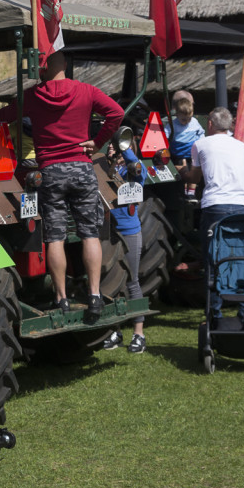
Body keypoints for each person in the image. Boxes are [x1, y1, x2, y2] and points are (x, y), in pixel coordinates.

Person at [0, 50, 124, 319]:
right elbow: (116, 113)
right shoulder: (85, 90)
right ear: (66, 66)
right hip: (82, 169)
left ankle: (61, 299)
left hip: (49, 172)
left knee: (56, 238)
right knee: (90, 234)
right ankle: (95, 296)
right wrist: (98, 141)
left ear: (43, 68)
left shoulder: (34, 96)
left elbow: (4, 115)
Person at [177, 107, 244, 322]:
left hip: (215, 207)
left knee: (212, 260)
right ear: (229, 125)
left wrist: (180, 170)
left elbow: (195, 177)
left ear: (209, 123)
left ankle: (214, 314)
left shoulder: (200, 144)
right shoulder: (242, 146)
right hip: (240, 206)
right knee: (240, 258)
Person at [102, 146, 147, 353]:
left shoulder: (132, 169)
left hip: (129, 232)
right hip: (108, 233)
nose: (111, 147)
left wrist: (124, 146)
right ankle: (115, 331)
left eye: (115, 143)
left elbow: (142, 171)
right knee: (110, 284)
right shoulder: (105, 168)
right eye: (110, 144)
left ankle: (139, 334)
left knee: (132, 282)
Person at [164, 96, 205, 198]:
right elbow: (165, 133)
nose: (187, 121)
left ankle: (191, 193)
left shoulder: (194, 122)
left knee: (194, 171)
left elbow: (201, 133)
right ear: (177, 114)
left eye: (189, 118)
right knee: (181, 173)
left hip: (192, 154)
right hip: (178, 154)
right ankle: (182, 192)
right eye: (183, 119)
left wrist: (201, 143)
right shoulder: (173, 125)